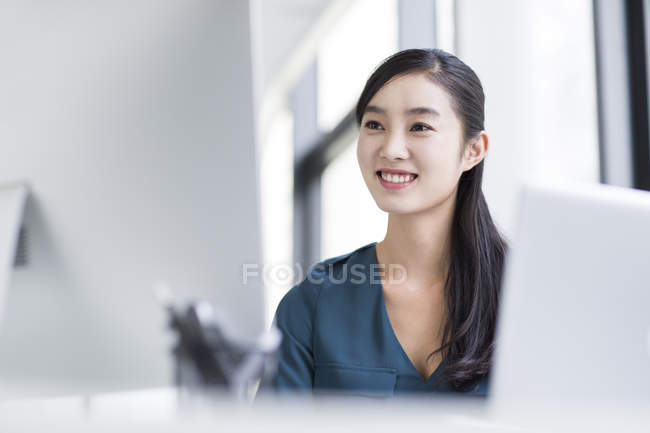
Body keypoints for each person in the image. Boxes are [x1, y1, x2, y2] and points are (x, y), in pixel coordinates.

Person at [268, 48, 508, 398]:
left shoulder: (529, 298)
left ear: (472, 150)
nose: (392, 149)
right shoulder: (313, 304)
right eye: (375, 125)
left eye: (420, 127)